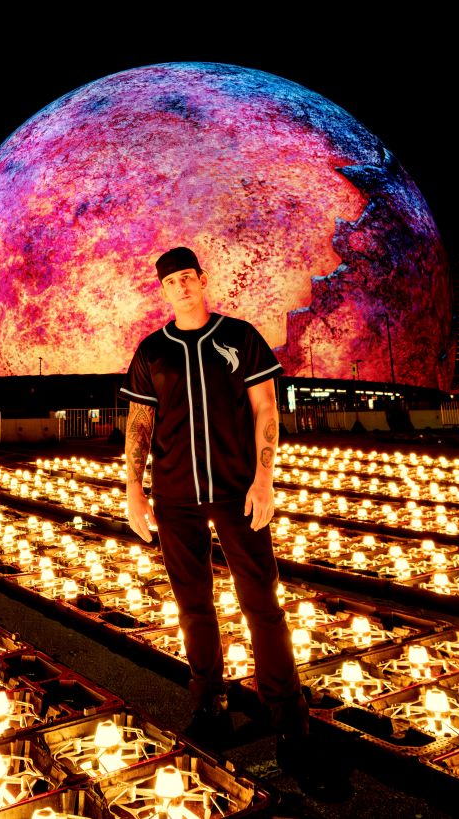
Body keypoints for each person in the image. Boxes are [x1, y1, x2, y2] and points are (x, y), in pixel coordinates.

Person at [120, 246, 310, 775]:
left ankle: (288, 714)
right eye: (171, 281)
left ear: (203, 281)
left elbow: (265, 407)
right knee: (193, 605)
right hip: (176, 496)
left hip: (235, 491)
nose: (181, 286)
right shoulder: (152, 350)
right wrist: (134, 489)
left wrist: (265, 478)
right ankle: (209, 703)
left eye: (188, 277)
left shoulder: (240, 336)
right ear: (163, 291)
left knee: (261, 602)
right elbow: (139, 424)